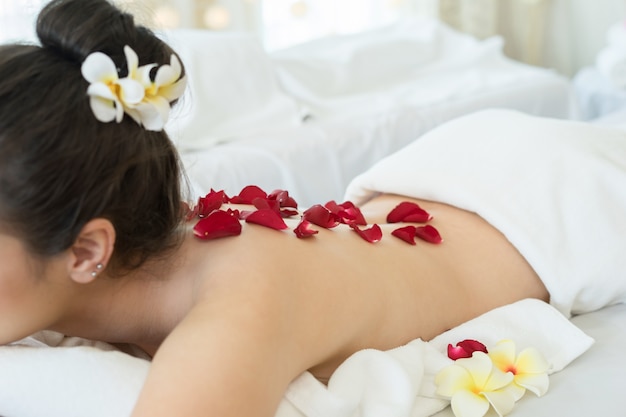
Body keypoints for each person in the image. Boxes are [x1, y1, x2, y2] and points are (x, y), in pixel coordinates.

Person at [0, 1, 624, 417]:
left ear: (87, 251)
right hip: (445, 175)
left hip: (550, 202)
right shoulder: (142, 231)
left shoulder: (232, 318)